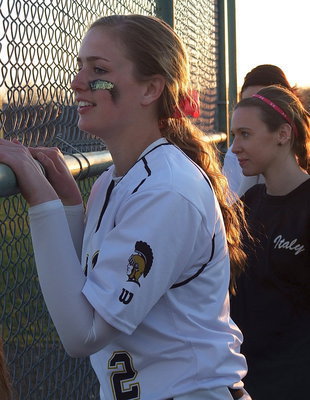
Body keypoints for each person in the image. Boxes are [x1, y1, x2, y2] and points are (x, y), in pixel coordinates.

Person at [0, 15, 251, 400]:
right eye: (80, 67)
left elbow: (83, 333)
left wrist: (42, 202)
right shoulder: (115, 180)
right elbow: (93, 283)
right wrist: (69, 205)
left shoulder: (167, 190)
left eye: (99, 70)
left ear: (150, 88)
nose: (77, 82)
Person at [230, 84, 310, 399]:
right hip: (242, 380)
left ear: (282, 134)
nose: (234, 146)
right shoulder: (248, 203)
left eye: (245, 134)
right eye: (234, 135)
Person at [222, 64, 299, 197]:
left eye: (261, 104)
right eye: (246, 103)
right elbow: (231, 208)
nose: (235, 148)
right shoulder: (235, 156)